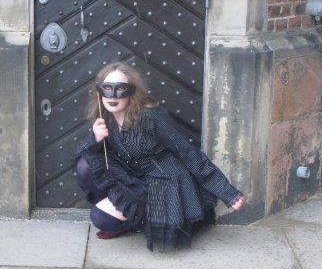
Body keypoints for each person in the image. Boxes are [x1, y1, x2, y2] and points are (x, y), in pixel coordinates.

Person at [74, 62, 244, 252]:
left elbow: (187, 152)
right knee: (85, 165)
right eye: (107, 88)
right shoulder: (105, 117)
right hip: (134, 178)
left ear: (132, 92)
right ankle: (132, 216)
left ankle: (138, 221)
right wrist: (97, 138)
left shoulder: (151, 117)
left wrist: (226, 191)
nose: (112, 95)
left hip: (162, 182)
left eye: (121, 88)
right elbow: (91, 156)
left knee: (100, 218)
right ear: (99, 91)